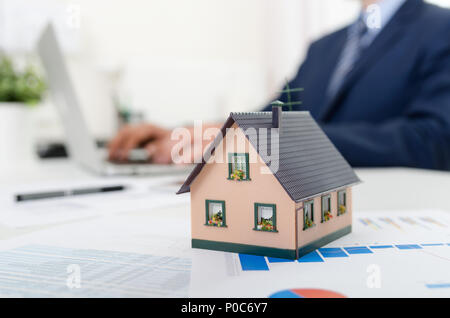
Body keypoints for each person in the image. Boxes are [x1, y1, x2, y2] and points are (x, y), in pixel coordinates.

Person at [108, 0, 450, 170]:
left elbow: (433, 140)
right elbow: (271, 115)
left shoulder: (440, 29)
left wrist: (267, 136)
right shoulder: (325, 47)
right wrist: (185, 134)